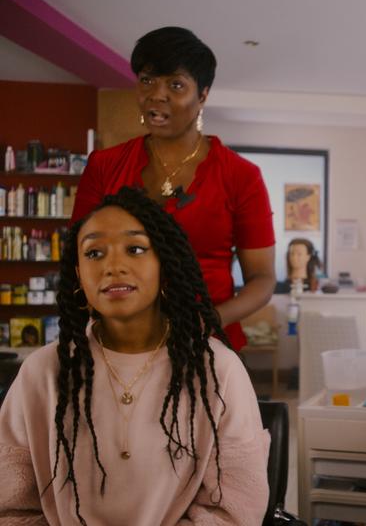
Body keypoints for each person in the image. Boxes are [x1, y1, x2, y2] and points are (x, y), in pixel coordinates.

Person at [0, 187, 269, 526]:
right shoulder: (42, 372)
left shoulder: (218, 370)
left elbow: (234, 512)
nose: (113, 266)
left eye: (136, 249)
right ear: (78, 274)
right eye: (94, 253)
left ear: (164, 265)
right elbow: (10, 509)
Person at [71, 26, 275, 350]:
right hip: (119, 345)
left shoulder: (241, 176)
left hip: (206, 347)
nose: (157, 94)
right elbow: (78, 256)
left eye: (176, 84)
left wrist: (210, 319)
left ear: (203, 95)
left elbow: (262, 279)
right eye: (147, 80)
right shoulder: (104, 166)